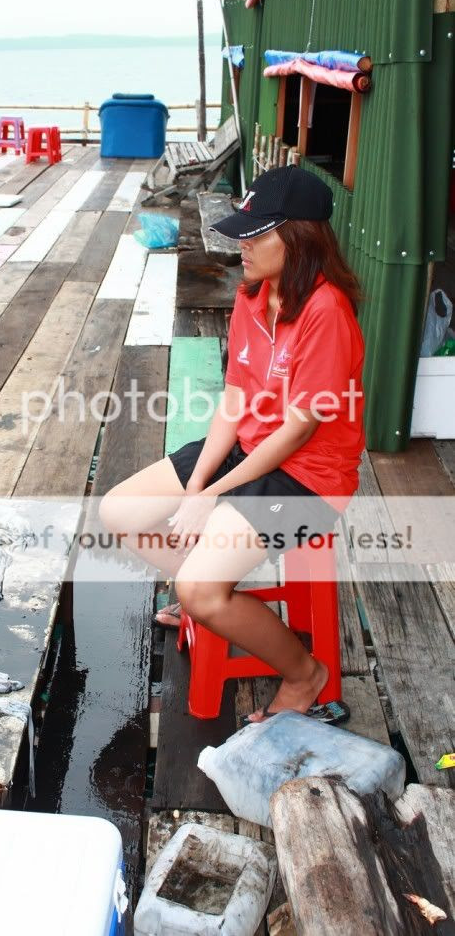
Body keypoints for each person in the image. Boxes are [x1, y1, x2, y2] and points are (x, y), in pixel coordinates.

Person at [99, 165, 365, 724]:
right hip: (250, 451)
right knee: (119, 510)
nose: (241, 244)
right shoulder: (253, 295)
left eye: (255, 234)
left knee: (199, 587)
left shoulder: (327, 312)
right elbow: (235, 400)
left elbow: (298, 430)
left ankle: (304, 673)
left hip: (308, 478)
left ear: (297, 237)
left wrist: (214, 494)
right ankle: (210, 596)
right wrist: (199, 485)